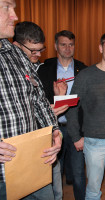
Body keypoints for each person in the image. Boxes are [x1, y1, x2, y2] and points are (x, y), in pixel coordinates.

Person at [0, 0, 62, 199]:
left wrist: (54, 130)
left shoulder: (16, 55)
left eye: (14, 8)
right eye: (6, 7)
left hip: (34, 164)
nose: (15, 16)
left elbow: (39, 100)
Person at [67, 31, 105, 200]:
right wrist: (75, 136)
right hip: (94, 142)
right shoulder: (86, 76)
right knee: (94, 189)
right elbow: (72, 107)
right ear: (101, 47)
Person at [13, 21, 67, 200]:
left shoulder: (36, 69)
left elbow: (41, 105)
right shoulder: (8, 71)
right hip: (18, 153)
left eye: (40, 50)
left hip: (44, 144)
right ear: (16, 45)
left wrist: (55, 128)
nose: (37, 54)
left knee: (55, 193)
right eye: (32, 50)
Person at [38, 30, 87, 200]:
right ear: (55, 46)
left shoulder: (83, 69)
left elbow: (86, 102)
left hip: (76, 129)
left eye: (71, 44)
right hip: (54, 129)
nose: (67, 48)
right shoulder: (44, 69)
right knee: (53, 172)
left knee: (79, 173)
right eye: (63, 44)